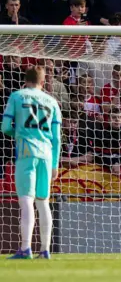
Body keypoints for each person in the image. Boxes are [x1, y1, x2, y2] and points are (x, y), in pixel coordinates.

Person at [2, 67, 62, 259]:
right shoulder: (52, 102)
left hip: (26, 152)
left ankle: (26, 248)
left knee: (26, 200)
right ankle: (45, 250)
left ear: (25, 80)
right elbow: (57, 138)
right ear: (43, 82)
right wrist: (55, 164)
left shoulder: (17, 96)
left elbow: (4, 127)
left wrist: (19, 134)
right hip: (46, 155)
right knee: (43, 202)